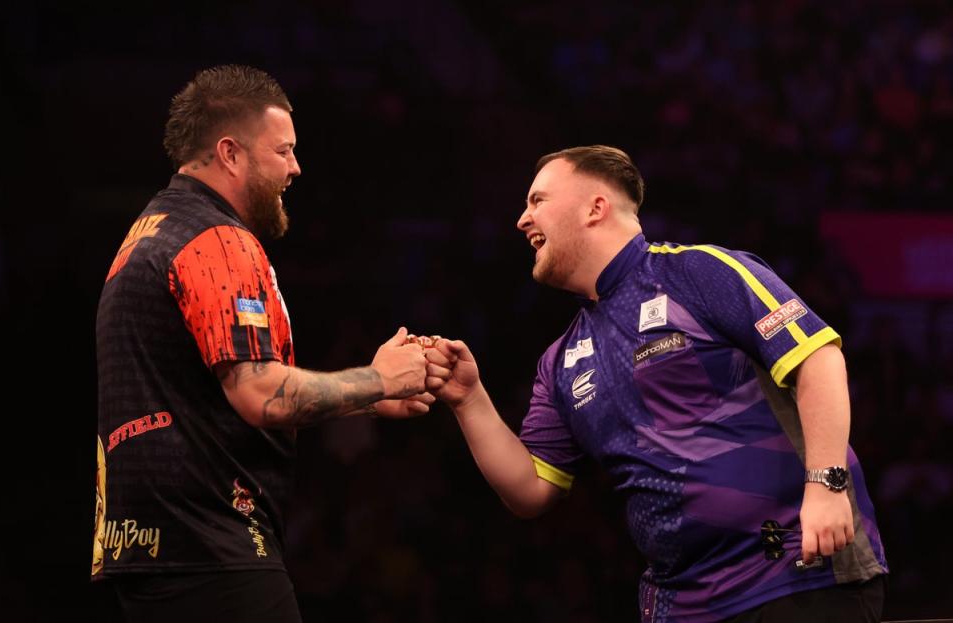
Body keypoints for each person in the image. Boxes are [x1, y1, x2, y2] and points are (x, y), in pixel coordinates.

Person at [424, 145, 888, 622]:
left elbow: (819, 358)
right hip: (679, 607)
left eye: (537, 200)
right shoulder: (560, 360)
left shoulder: (698, 273)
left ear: (595, 207)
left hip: (795, 577)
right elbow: (531, 489)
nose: (522, 220)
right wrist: (468, 399)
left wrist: (827, 484)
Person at [93, 65, 432, 622]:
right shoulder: (217, 240)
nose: (296, 167)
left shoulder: (149, 232)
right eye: (283, 151)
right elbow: (259, 394)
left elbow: (209, 394)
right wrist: (382, 379)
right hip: (213, 547)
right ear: (231, 153)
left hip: (149, 549)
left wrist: (366, 398)